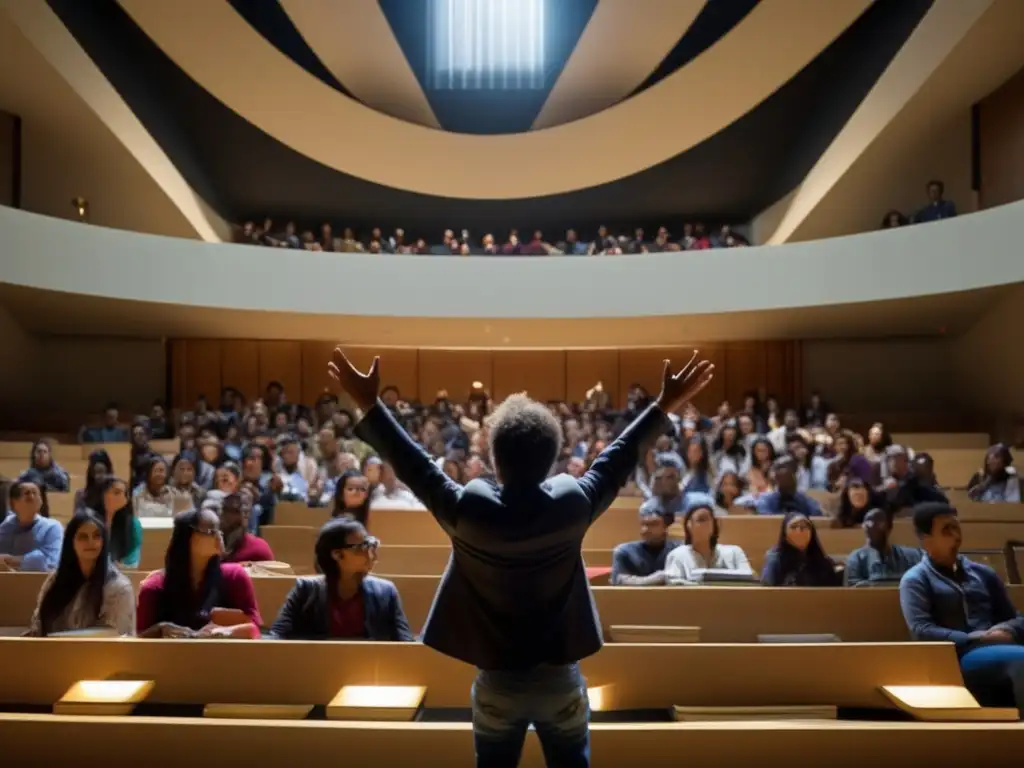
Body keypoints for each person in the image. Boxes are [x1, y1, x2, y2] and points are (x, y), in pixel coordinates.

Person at [328, 347, 713, 768]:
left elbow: (414, 465)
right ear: (551, 459)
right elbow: (619, 458)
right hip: (560, 681)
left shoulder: (468, 513)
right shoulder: (572, 506)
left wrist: (369, 402)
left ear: (494, 459)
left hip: (498, 683)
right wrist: (665, 404)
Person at [900, 503, 1024, 710]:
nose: (956, 535)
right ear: (925, 539)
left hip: (999, 645)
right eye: (946, 530)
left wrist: (1008, 630)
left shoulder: (983, 573)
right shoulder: (915, 579)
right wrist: (977, 637)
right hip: (959, 655)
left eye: (957, 527)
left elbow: (1015, 617)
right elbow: (921, 630)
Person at [269, 517, 413, 641]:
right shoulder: (306, 590)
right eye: (362, 546)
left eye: (370, 544)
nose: (370, 553)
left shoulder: (386, 592)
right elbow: (277, 636)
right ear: (337, 555)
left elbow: (405, 641)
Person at [136, 508, 263, 638]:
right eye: (210, 531)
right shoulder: (154, 587)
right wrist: (159, 630)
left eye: (219, 530)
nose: (219, 536)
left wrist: (226, 632)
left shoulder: (234, 577)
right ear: (187, 537)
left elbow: (255, 630)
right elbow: (137, 640)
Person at [26, 511, 135, 636]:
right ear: (71, 542)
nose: (91, 542)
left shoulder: (119, 587)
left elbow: (117, 636)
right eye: (83, 537)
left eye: (97, 536)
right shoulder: (55, 580)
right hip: (52, 652)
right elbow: (38, 626)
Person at [665, 495, 752, 584]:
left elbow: (749, 582)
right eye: (701, 519)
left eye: (709, 519)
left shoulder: (735, 553)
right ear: (689, 525)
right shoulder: (677, 555)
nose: (705, 524)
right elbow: (674, 586)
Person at [760, 511, 841, 587]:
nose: (799, 531)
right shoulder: (775, 558)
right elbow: (767, 591)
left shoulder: (822, 562)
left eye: (804, 527)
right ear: (785, 534)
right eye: (794, 527)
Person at [844, 508, 921, 586]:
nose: (871, 525)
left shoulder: (910, 556)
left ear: (889, 527)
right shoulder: (856, 558)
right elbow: (852, 590)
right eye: (868, 522)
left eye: (879, 522)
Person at [0, 479, 62, 571]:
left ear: (41, 502)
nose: (32, 496)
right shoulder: (5, 526)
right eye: (27, 494)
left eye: (36, 493)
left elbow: (50, 561)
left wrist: (11, 560)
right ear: (13, 503)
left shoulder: (52, 527)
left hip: (38, 582)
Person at [610, 507, 679, 587]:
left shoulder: (679, 550)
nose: (645, 530)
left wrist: (635, 581)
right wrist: (654, 579)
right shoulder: (624, 551)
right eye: (643, 524)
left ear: (666, 527)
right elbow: (618, 581)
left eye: (653, 524)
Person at [755, 457, 823, 517]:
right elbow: (765, 518)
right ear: (776, 479)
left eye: (790, 476)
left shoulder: (804, 499)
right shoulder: (766, 499)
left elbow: (817, 515)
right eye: (782, 476)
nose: (785, 479)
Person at [218, 492, 275, 563]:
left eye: (236, 511)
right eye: (225, 510)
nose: (226, 516)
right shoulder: (210, 545)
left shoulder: (258, 548)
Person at [100, 477, 143, 569]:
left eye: (125, 494)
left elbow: (134, 559)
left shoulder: (133, 524)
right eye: (116, 493)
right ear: (102, 494)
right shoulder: (88, 521)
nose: (122, 497)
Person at [637, 453, 685, 521]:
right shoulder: (648, 509)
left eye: (670, 477)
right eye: (659, 478)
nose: (663, 482)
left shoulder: (691, 505)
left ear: (678, 479)